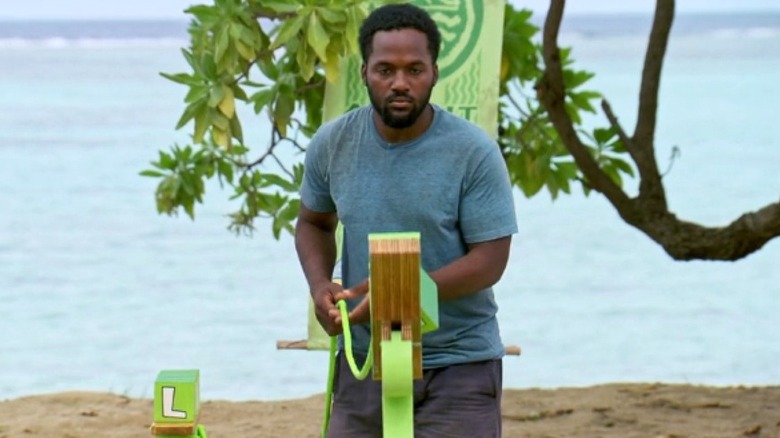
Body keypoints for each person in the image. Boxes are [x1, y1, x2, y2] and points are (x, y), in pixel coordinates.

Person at [294, 3, 517, 437]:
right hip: (366, 362)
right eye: (385, 70)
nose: (400, 83)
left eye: (415, 69)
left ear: (434, 72)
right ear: (364, 73)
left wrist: (400, 295)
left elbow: (491, 259)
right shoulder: (333, 143)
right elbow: (314, 223)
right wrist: (320, 284)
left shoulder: (473, 152)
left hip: (458, 363)